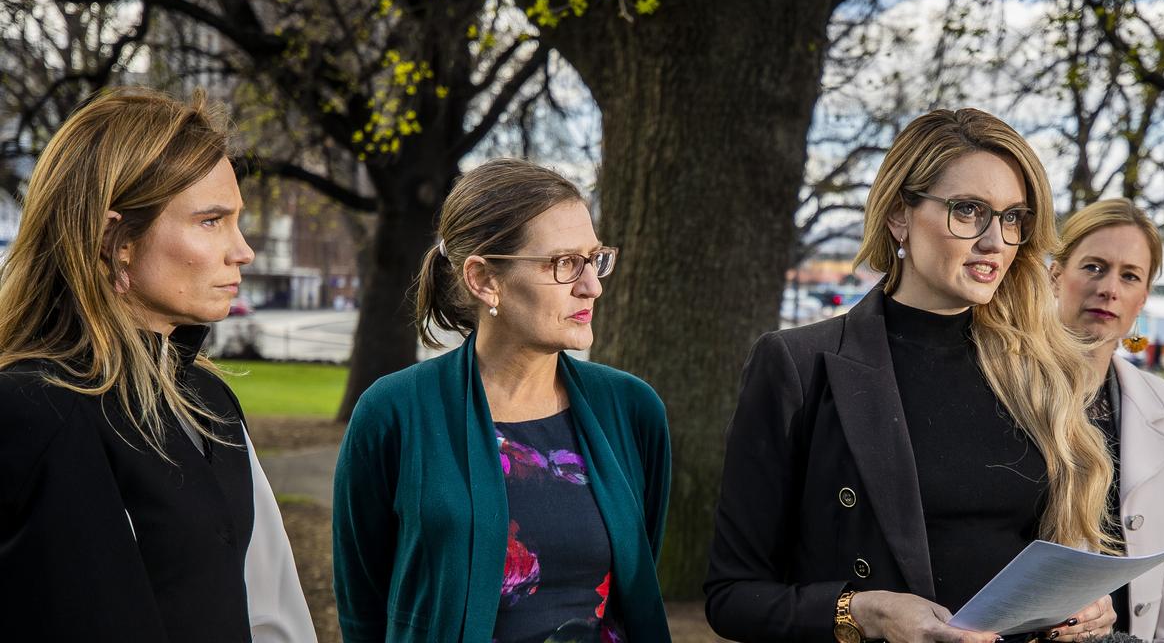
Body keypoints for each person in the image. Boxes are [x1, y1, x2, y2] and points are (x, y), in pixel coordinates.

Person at [705, 109, 1118, 643]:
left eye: (1013, 217)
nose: (996, 241)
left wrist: (1081, 609)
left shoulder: (1040, 372)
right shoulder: (798, 364)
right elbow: (732, 595)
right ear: (900, 216)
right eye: (969, 211)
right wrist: (866, 613)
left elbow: (1051, 553)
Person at [0, 88, 315, 642]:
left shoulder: (208, 402)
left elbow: (271, 608)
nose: (243, 251)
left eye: (236, 221)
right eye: (212, 221)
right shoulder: (32, 411)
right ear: (115, 239)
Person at [332, 158, 672, 642]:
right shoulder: (394, 413)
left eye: (594, 258)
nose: (592, 286)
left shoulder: (632, 410)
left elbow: (637, 581)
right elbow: (362, 604)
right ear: (484, 279)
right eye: (564, 263)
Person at [1050, 198, 1164, 642]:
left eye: (1130, 276)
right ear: (1054, 275)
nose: (1109, 289)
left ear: (1143, 297)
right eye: (1094, 267)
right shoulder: (1006, 388)